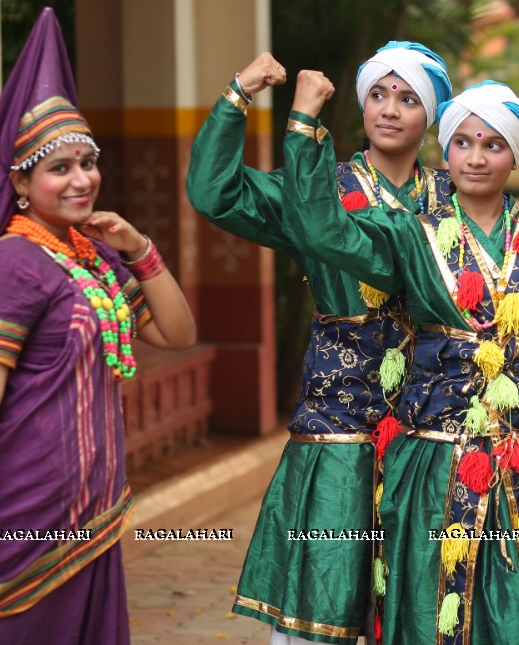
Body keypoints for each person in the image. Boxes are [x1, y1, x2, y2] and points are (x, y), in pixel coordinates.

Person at [279, 76, 519, 645]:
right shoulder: (409, 236)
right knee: (429, 618)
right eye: (462, 142)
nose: (475, 158)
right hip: (432, 468)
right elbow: (322, 232)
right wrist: (304, 125)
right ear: (445, 150)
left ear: (515, 156)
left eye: (493, 144)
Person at [0, 9, 197, 645]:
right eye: (60, 168)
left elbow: (176, 333)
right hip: (24, 505)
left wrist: (139, 249)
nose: (82, 179)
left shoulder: (92, 256)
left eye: (88, 162)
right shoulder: (12, 263)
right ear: (21, 182)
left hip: (85, 508)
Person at [186, 42, 455, 644]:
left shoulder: (452, 201)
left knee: (428, 598)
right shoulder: (317, 188)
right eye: (378, 95)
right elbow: (215, 194)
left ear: (431, 117)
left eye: (408, 99)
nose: (389, 110)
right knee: (322, 599)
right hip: (338, 424)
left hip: (433, 427)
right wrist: (239, 95)